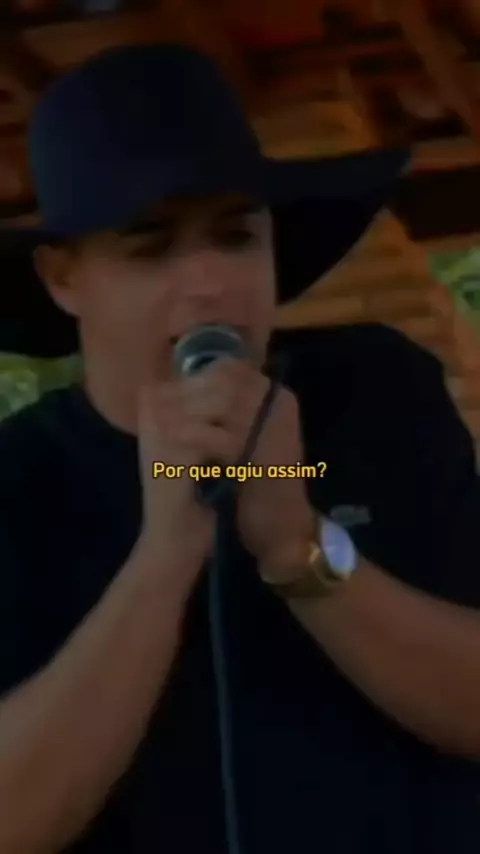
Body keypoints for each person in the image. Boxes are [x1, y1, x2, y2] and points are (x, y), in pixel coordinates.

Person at [0, 42, 479, 854]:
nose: (210, 284)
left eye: (236, 237)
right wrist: (164, 557)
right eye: (151, 246)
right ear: (64, 278)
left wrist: (298, 546)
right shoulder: (21, 482)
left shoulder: (377, 392)